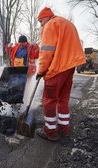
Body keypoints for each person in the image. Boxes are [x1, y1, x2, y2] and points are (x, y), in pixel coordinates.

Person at [35, 7, 86, 141]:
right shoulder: (67, 23)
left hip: (57, 68)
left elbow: (46, 52)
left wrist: (40, 71)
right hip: (69, 68)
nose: (41, 24)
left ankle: (50, 132)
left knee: (49, 101)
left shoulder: (50, 25)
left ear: (46, 17)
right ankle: (65, 129)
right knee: (63, 99)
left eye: (40, 21)